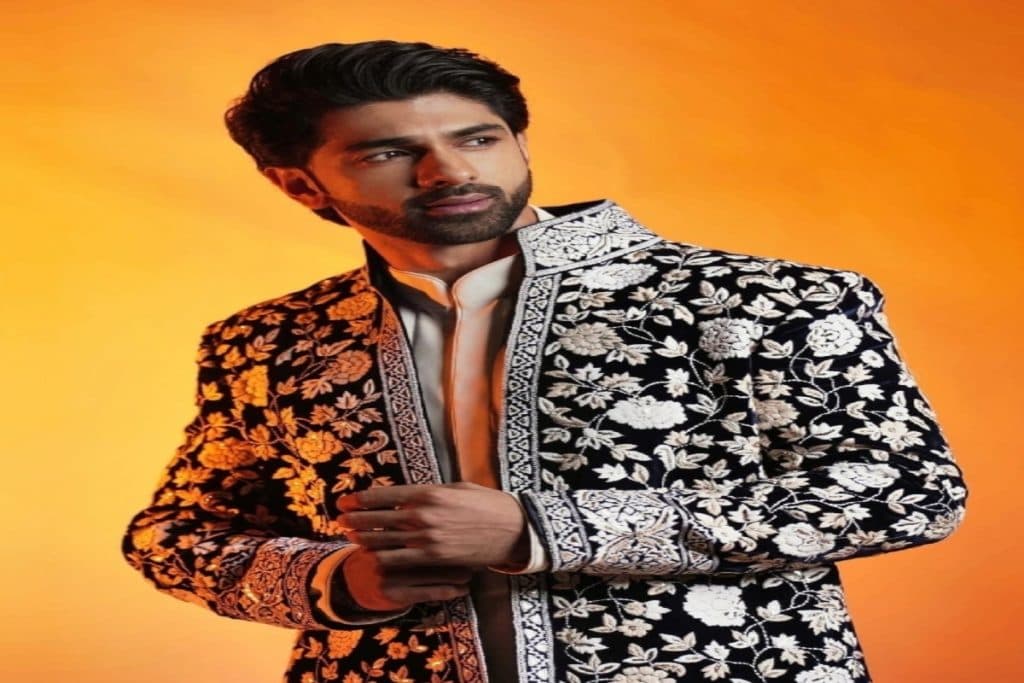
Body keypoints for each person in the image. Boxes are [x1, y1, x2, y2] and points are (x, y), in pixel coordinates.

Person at [121, 40, 968, 683]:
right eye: (386, 152)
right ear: (300, 185)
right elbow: (177, 535)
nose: (449, 169)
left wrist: (540, 527)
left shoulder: (759, 299)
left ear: (520, 143)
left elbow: (906, 491)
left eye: (478, 137)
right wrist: (341, 581)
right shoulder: (271, 340)